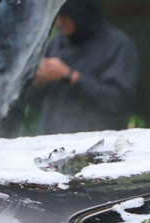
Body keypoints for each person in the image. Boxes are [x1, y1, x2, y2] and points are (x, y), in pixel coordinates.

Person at [31, 0, 138, 134]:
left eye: (63, 16)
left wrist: (70, 76)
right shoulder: (56, 43)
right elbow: (34, 105)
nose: (58, 23)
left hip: (98, 143)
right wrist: (39, 81)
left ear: (80, 13)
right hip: (53, 141)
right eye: (56, 16)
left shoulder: (117, 45)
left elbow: (117, 102)